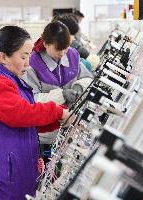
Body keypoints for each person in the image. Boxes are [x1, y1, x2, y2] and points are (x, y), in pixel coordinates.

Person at [0, 26, 70, 200]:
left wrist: (58, 121)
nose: (27, 63)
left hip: (6, 173)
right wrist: (57, 112)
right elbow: (19, 114)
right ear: (3, 56)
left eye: (29, 56)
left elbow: (23, 121)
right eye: (23, 57)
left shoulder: (8, 79)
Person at [24, 21, 93, 162]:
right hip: (45, 135)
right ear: (46, 44)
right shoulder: (32, 65)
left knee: (67, 167)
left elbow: (87, 77)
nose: (62, 54)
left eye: (66, 48)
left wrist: (79, 87)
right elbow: (32, 99)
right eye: (58, 49)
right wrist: (62, 95)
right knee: (46, 168)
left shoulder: (73, 56)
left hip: (72, 128)